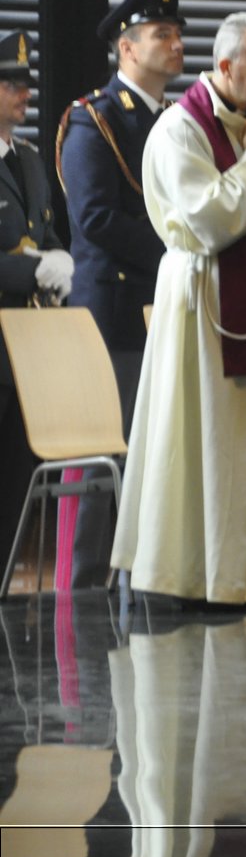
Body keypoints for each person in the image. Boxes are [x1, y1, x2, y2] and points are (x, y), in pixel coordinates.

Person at [111, 12, 246, 604]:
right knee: (208, 439)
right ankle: (198, 576)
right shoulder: (180, 129)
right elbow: (207, 224)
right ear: (226, 65)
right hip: (203, 300)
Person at [57, 0, 184, 587]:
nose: (176, 43)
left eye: (178, 32)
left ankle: (147, 574)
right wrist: (181, 243)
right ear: (127, 49)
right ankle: (82, 583)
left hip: (165, 302)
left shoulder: (178, 119)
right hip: (114, 307)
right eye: (162, 34)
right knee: (105, 448)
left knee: (161, 445)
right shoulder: (94, 120)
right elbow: (95, 218)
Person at [0, 31, 72, 552]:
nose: (25, 94)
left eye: (26, 84)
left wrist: (60, 257)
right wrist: (33, 272)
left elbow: (45, 235)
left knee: (17, 475)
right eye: (11, 84)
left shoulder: (26, 158)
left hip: (27, 346)